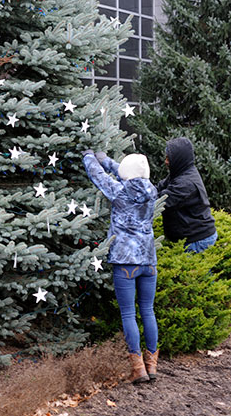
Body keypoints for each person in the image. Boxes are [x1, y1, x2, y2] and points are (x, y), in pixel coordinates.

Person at [82, 149, 159, 383]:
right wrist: (107, 160)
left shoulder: (118, 192)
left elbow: (98, 176)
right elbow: (127, 174)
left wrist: (89, 156)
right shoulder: (151, 190)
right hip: (148, 261)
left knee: (128, 313)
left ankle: (137, 369)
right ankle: (152, 366)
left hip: (125, 262)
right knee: (147, 310)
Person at [156, 137, 217, 253]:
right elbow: (159, 187)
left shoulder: (185, 184)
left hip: (197, 239)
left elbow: (160, 201)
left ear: (179, 158)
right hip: (191, 236)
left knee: (195, 271)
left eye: (169, 158)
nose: (166, 161)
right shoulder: (180, 172)